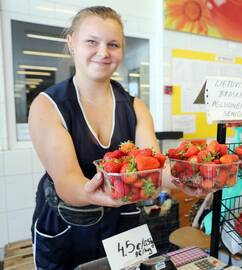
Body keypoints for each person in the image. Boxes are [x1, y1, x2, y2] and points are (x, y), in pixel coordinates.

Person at [29, 6, 160, 269]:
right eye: (91, 41)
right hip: (67, 226)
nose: (103, 52)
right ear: (71, 43)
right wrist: (93, 191)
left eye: (113, 44)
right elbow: (67, 181)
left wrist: (187, 176)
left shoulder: (135, 107)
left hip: (124, 222)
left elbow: (153, 168)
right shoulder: (48, 106)